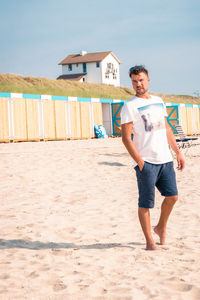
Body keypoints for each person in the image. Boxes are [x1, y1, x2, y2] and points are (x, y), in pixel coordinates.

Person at [121, 65, 185, 250]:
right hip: (146, 162)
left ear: (148, 80)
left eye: (141, 80)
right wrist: (140, 162)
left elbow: (166, 129)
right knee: (145, 204)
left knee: (172, 197)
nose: (138, 84)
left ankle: (161, 227)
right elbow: (126, 138)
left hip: (165, 160)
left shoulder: (158, 101)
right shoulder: (130, 106)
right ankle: (150, 241)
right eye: (134, 81)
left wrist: (178, 152)